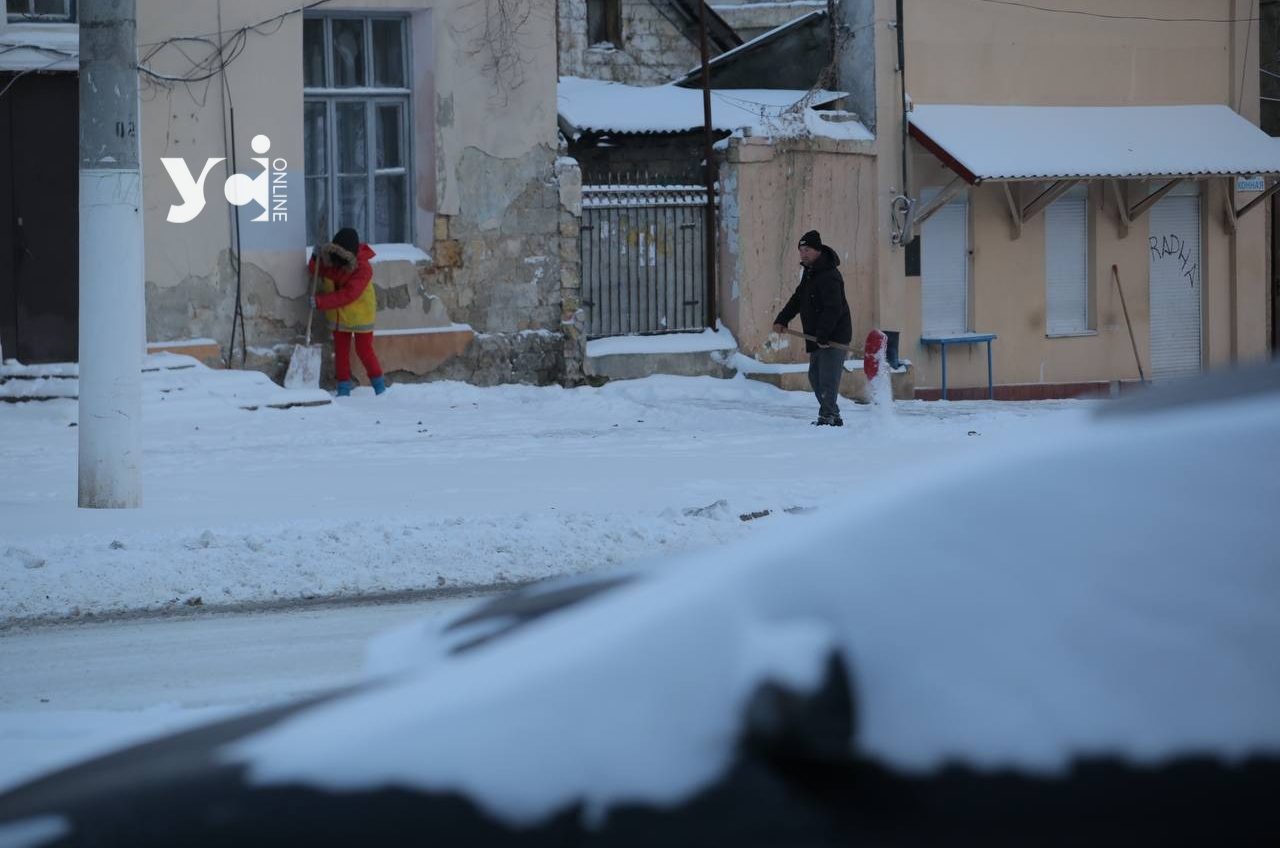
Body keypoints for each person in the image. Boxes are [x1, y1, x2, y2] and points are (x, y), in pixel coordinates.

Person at [772, 230, 852, 426]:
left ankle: (827, 417)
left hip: (833, 336)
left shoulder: (829, 275)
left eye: (807, 250)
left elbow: (833, 308)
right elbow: (798, 299)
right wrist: (782, 319)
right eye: (801, 250)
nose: (803, 254)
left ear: (817, 250)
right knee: (815, 376)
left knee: (827, 379)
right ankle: (833, 415)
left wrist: (824, 334)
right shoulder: (811, 273)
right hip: (818, 336)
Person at [308, 227, 386, 397]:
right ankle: (343, 388)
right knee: (341, 351)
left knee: (363, 350)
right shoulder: (335, 260)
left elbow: (349, 294)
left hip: (360, 315)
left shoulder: (363, 269)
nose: (336, 265)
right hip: (339, 316)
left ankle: (379, 386)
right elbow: (317, 270)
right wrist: (315, 258)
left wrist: (322, 301)